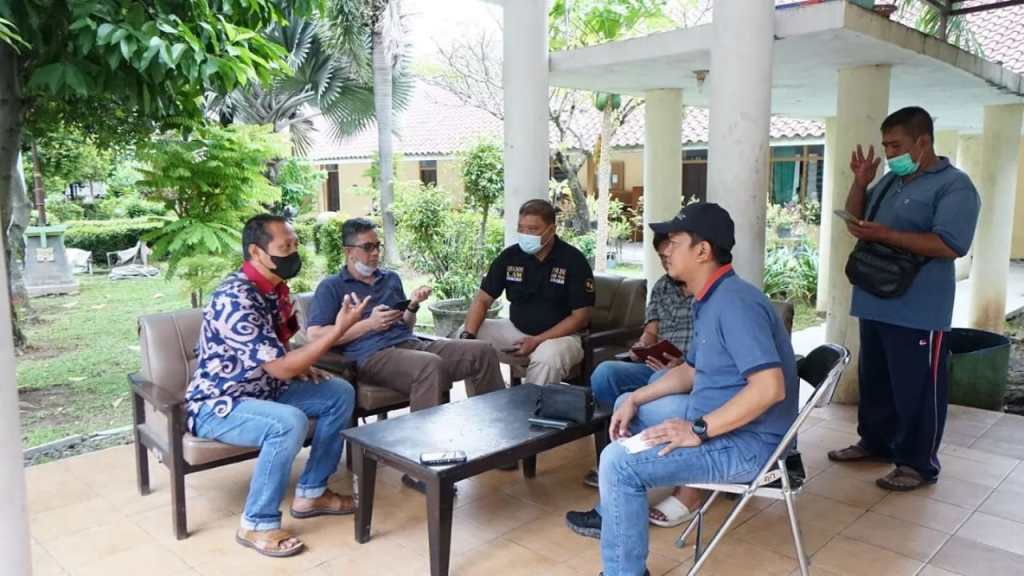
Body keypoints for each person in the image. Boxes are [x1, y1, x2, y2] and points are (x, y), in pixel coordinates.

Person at [565, 202, 799, 576]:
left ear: (702, 251)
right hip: (717, 422)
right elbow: (691, 370)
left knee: (618, 464)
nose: (665, 249)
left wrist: (697, 430)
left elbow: (770, 388)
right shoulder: (711, 297)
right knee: (628, 407)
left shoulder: (736, 304)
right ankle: (618, 512)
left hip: (746, 444)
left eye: (674, 242)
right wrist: (635, 397)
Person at [186, 214, 365, 558]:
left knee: (338, 392)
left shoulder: (275, 289)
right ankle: (257, 522)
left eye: (295, 245)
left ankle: (312, 492)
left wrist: (302, 365)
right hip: (219, 403)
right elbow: (281, 367)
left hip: (266, 390)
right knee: (287, 422)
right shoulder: (236, 298)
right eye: (285, 247)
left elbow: (282, 349)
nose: (294, 253)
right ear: (256, 251)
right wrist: (339, 330)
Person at [827, 106, 981, 491]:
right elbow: (857, 223)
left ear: (923, 142)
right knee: (876, 380)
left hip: (919, 309)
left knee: (918, 389)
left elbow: (950, 245)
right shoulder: (891, 182)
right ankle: (875, 443)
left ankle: (917, 463)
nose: (889, 153)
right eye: (886, 145)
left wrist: (885, 235)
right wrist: (860, 182)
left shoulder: (955, 186)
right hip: (874, 300)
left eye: (895, 145)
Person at [305, 217, 505, 490]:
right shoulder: (332, 287)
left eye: (377, 246)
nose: (375, 252)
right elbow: (315, 336)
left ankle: (496, 444)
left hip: (411, 344)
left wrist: (411, 306)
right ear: (348, 251)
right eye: (367, 247)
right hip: (371, 356)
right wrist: (368, 324)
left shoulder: (390, 279)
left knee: (482, 351)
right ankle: (419, 468)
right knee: (429, 366)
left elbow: (405, 326)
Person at [580, 233, 698, 530]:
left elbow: (705, 367)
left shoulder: (713, 295)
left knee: (635, 398)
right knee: (605, 373)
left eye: (670, 255)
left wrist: (681, 364)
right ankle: (613, 453)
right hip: (657, 365)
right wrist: (643, 346)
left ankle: (630, 465)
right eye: (662, 257)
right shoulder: (663, 286)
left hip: (685, 372)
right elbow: (651, 331)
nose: (666, 262)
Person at [461, 199, 595, 384]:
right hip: (516, 331)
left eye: (532, 230)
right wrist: (468, 337)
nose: (525, 235)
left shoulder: (573, 261)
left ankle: (532, 403)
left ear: (551, 230)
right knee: (467, 341)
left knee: (546, 359)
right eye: (521, 228)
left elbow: (581, 317)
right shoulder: (510, 257)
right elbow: (482, 300)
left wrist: (537, 340)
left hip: (560, 339)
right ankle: (488, 399)